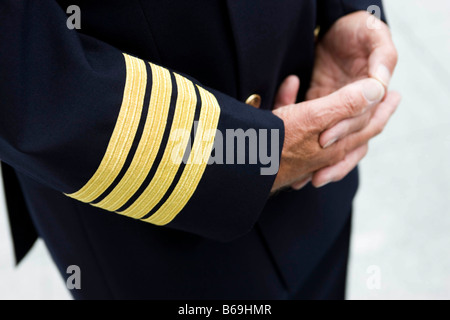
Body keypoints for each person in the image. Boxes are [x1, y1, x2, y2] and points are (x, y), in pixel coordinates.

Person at [0, 0, 400, 299]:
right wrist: (250, 155)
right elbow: (24, 76)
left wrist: (345, 9)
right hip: (144, 230)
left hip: (317, 172)